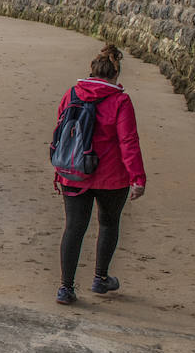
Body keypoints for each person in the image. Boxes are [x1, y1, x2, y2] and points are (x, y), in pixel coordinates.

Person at [54, 44, 146, 305]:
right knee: (108, 223)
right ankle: (100, 278)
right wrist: (137, 177)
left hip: (73, 172)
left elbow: (62, 131)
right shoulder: (120, 101)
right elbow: (128, 141)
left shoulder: (72, 93)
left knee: (73, 228)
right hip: (111, 177)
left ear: (92, 71)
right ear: (116, 74)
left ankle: (66, 288)